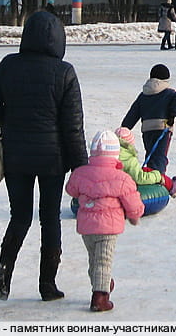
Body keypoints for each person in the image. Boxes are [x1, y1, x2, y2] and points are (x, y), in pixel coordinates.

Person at [0, 10, 88, 303]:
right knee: (50, 218)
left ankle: (4, 271)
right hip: (53, 160)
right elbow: (72, 127)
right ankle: (47, 284)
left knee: (20, 216)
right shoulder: (64, 72)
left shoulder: (7, 65)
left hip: (15, 155)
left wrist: (10, 114)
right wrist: (82, 168)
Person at [64, 131, 144, 312]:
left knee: (94, 260)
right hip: (108, 228)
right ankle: (100, 298)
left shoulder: (81, 173)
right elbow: (133, 202)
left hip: (86, 227)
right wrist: (134, 215)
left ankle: (103, 283)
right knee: (103, 261)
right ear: (115, 153)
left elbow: (71, 190)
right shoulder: (122, 178)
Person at [121, 63, 176, 174]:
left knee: (151, 154)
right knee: (160, 156)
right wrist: (171, 115)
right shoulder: (169, 93)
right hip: (163, 128)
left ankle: (150, 176)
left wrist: (124, 128)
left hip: (147, 130)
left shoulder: (143, 94)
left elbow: (133, 113)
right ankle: (158, 180)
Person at [115, 126, 176, 198]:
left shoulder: (109, 154)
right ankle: (171, 185)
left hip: (114, 183)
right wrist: (158, 176)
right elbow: (140, 178)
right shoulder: (129, 159)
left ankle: (170, 183)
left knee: (145, 170)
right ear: (130, 144)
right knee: (149, 173)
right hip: (124, 187)